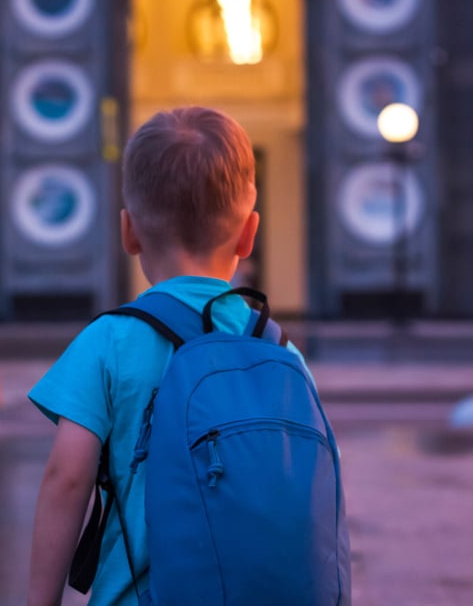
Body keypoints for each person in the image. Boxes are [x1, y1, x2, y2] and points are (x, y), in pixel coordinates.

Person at [28, 106, 328, 606]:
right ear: (249, 234)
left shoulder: (109, 341)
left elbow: (67, 478)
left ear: (129, 233)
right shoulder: (280, 350)